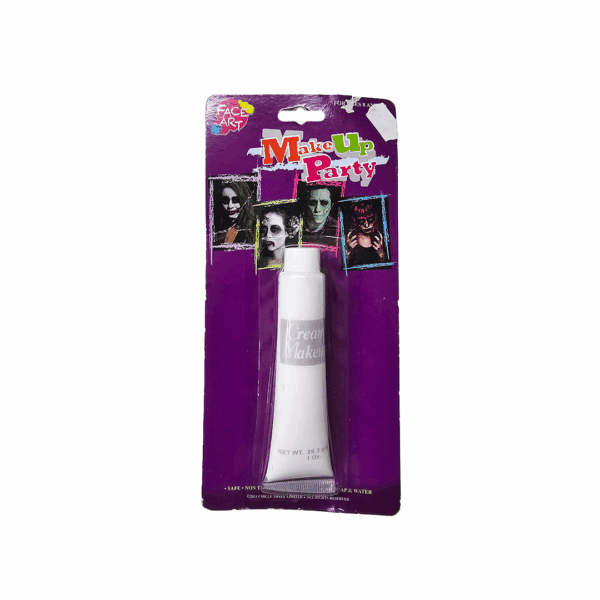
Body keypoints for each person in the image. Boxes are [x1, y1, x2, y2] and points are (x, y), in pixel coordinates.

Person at [345, 201, 387, 267]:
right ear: (355, 221)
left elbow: (387, 268)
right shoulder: (349, 240)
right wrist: (347, 252)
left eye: (370, 219)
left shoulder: (385, 237)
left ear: (375, 217)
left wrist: (381, 254)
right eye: (361, 221)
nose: (366, 225)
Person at [213, 181, 255, 246]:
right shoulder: (218, 228)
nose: (230, 206)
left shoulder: (255, 228)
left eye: (236, 200)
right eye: (225, 200)